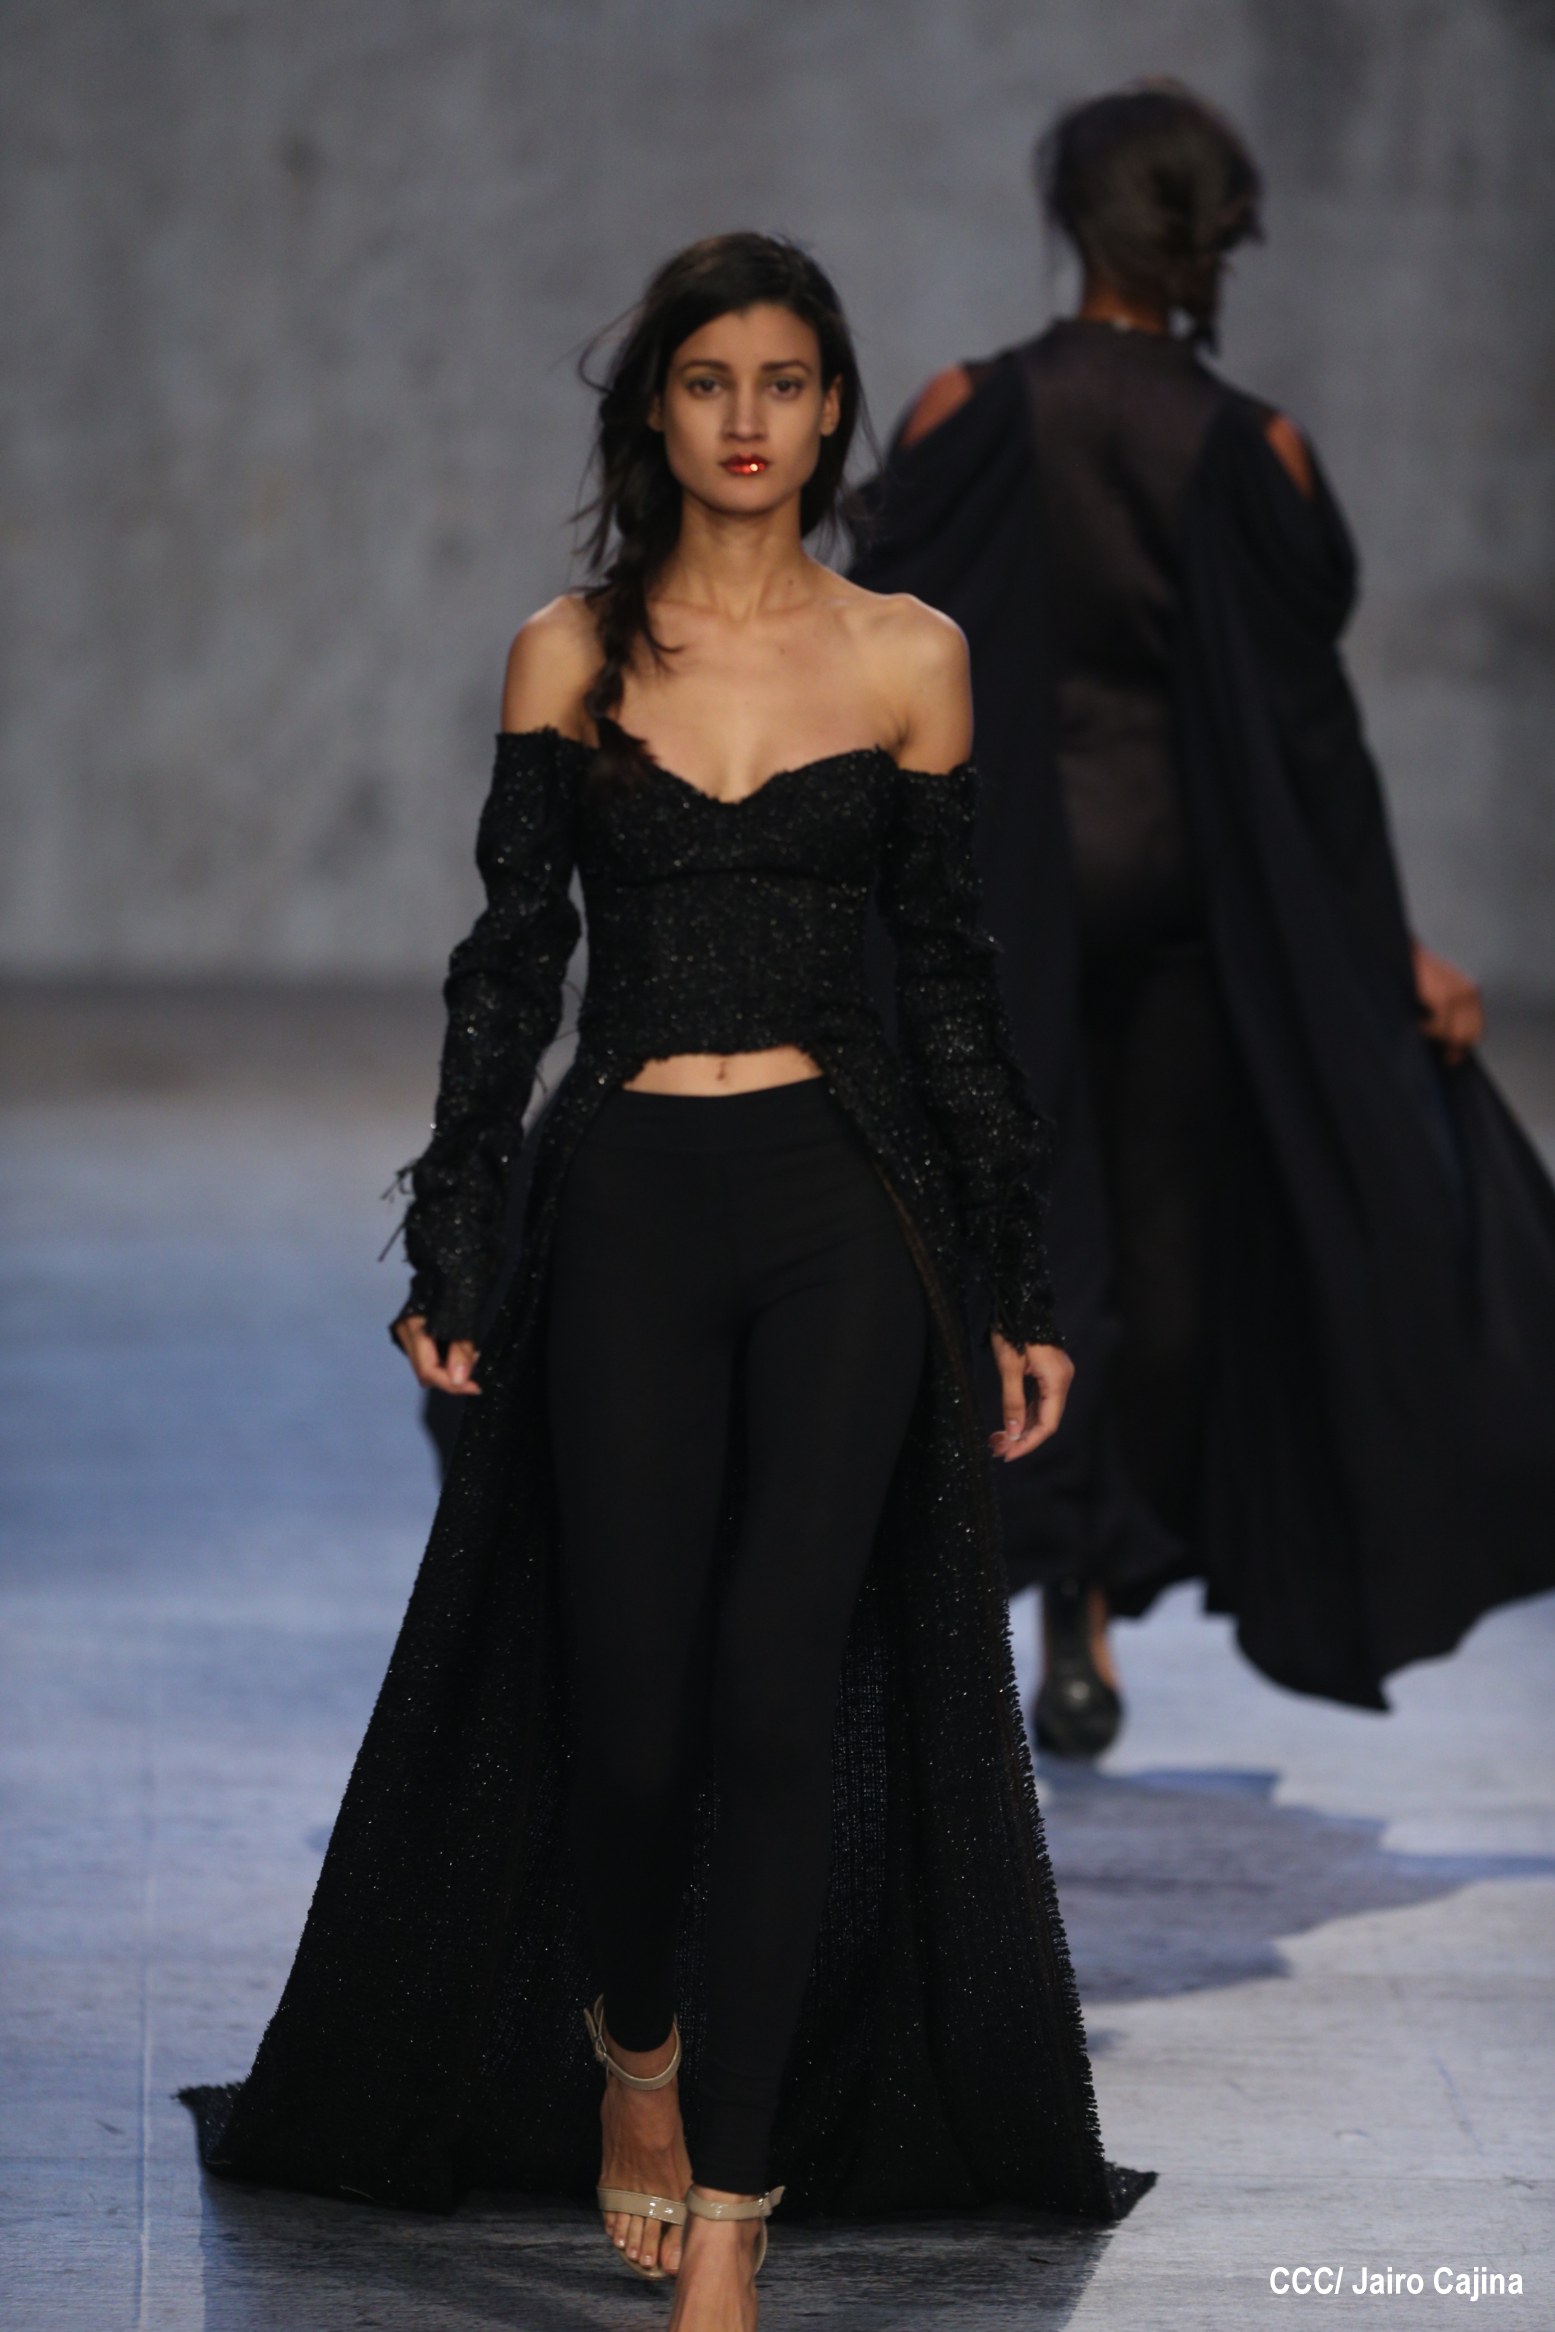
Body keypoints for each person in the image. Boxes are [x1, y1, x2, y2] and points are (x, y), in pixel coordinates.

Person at [182, 233, 1150, 2332]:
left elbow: (953, 990)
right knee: (629, 1718)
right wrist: (456, 1233)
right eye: (709, 380)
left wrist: (1012, 1281)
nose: (746, 417)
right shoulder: (566, 653)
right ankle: (637, 2044)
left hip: (843, 1204)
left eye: (785, 380)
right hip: (626, 1192)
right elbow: (508, 967)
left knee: (777, 1687)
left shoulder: (910, 655)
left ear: (832, 407)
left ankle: (733, 2205)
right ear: (654, 411)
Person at [853, 84, 1555, 1754]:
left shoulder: (968, 411)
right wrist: (1380, 948)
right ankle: (1089, 1584)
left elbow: (872, 665)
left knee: (1012, 1235)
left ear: (1072, 223)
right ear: (1213, 238)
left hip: (998, 894)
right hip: (1193, 902)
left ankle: (1044, 1586)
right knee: (1163, 1261)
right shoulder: (1258, 452)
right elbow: (1309, 754)